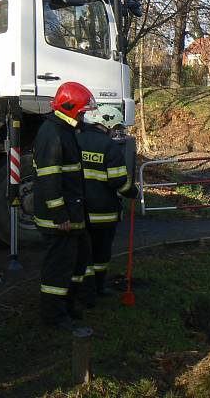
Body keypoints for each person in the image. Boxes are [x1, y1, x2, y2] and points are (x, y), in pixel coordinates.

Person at [33, 81, 97, 328]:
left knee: (76, 263)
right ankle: (53, 316)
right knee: (58, 269)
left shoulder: (64, 130)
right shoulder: (53, 134)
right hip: (59, 219)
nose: (84, 116)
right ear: (71, 109)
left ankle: (67, 307)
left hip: (72, 214)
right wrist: (60, 215)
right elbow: (50, 180)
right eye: (82, 112)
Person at [77, 104, 133, 297]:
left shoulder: (77, 139)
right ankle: (98, 288)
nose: (116, 133)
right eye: (116, 128)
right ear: (107, 124)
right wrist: (132, 192)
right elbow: (118, 181)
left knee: (84, 253)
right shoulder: (109, 146)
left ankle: (84, 289)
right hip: (103, 212)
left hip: (80, 210)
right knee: (101, 254)